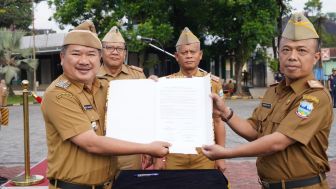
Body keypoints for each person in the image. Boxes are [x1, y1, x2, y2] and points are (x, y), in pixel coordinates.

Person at [202, 13, 332, 188]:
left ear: (315, 57)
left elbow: (278, 141)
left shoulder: (315, 97)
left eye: (301, 50)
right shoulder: (274, 91)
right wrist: (225, 112)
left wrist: (227, 152)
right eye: (286, 50)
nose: (292, 56)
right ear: (279, 54)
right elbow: (255, 131)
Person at [41, 20, 170, 189]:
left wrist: (149, 88)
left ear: (99, 58)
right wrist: (148, 148)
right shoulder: (59, 94)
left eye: (91, 54)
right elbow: (91, 143)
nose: (84, 61)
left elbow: (135, 108)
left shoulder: (103, 87)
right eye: (76, 54)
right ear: (62, 57)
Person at [153, 27, 226, 173]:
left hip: (204, 153)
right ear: (176, 56)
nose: (189, 56)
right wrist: (158, 158)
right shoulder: (165, 84)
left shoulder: (213, 83)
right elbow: (159, 122)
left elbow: (218, 121)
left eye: (192, 52)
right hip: (174, 154)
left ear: (200, 55)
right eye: (184, 52)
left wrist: (221, 156)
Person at [97, 26, 146, 172]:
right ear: (101, 52)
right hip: (100, 145)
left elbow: (146, 111)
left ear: (125, 52)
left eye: (119, 48)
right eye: (109, 48)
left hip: (129, 146)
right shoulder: (90, 76)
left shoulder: (137, 76)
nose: (114, 52)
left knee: (129, 183)